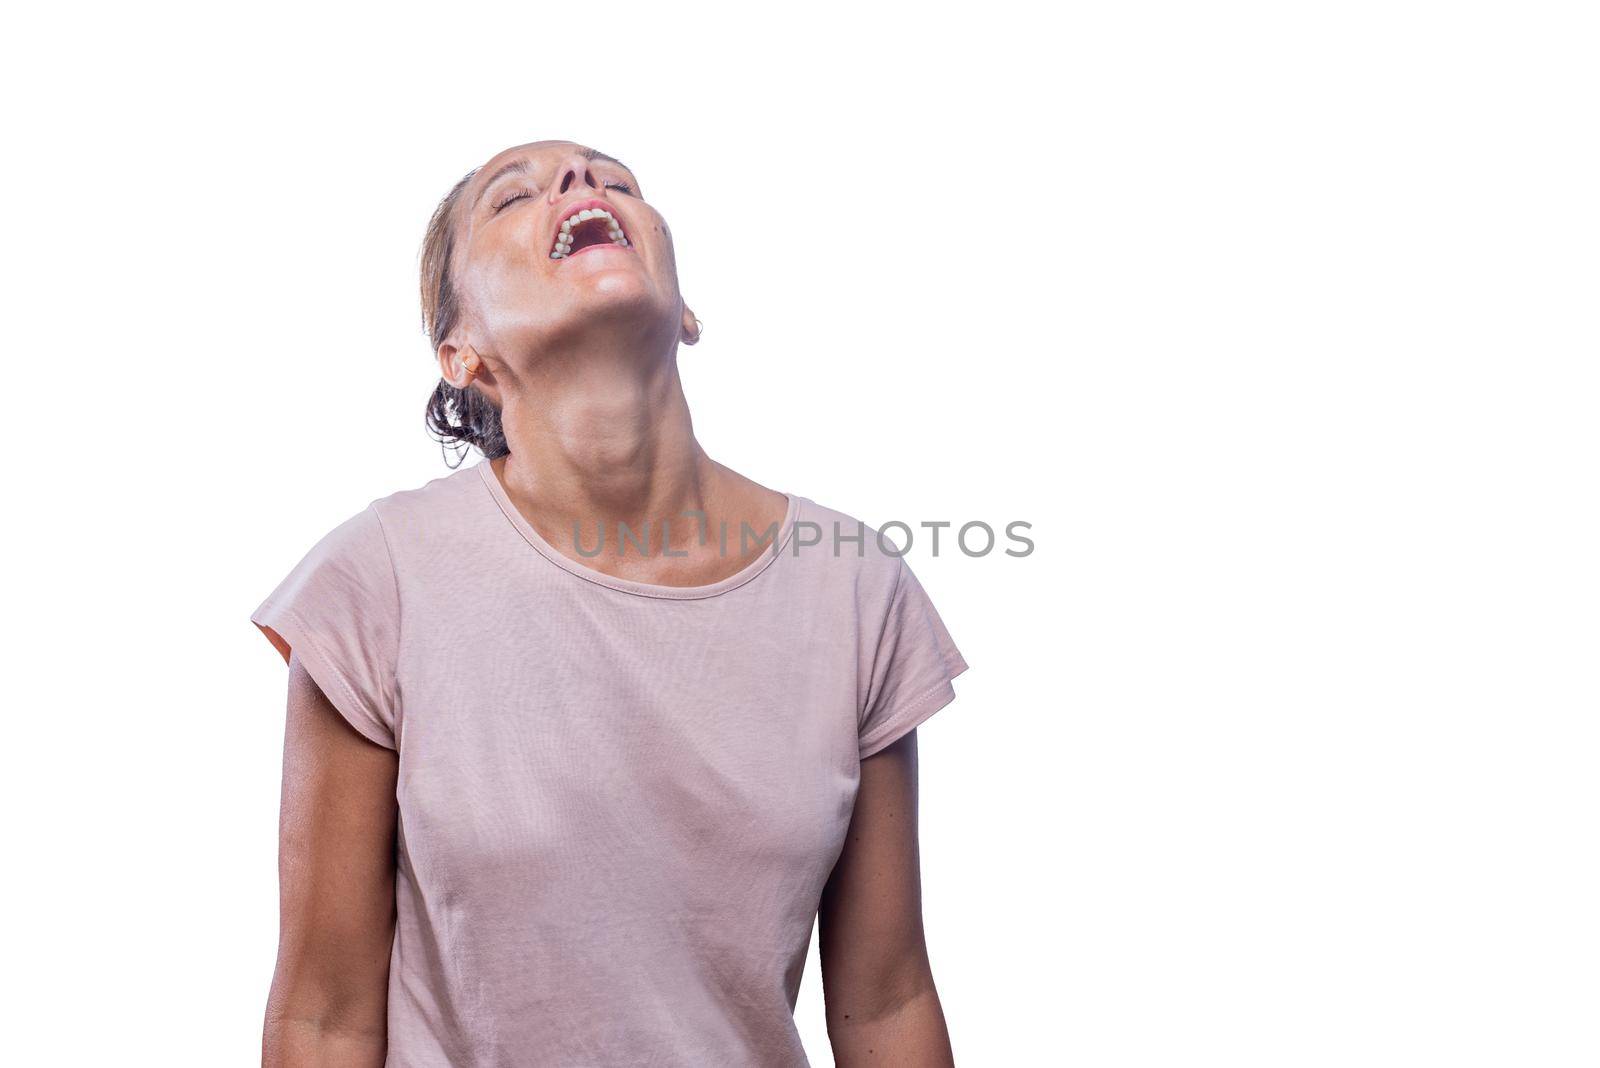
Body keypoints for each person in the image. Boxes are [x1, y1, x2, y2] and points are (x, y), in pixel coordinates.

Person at [252, 139, 968, 1066]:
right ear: (462, 354)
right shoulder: (377, 581)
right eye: (512, 198)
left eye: (616, 180)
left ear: (689, 313)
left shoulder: (854, 586)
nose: (581, 185)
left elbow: (885, 1002)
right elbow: (324, 1016)